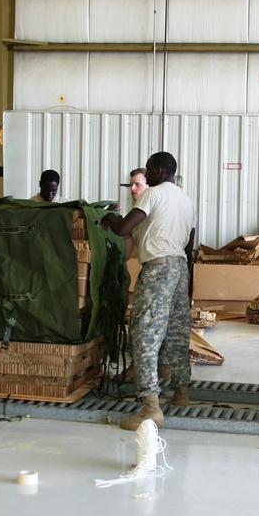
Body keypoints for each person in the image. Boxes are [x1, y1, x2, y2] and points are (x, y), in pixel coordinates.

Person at [101, 152, 196, 430]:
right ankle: (181, 393)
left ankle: (150, 407)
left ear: (161, 169)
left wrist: (108, 216)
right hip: (180, 267)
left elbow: (122, 229)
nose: (148, 173)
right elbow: (189, 244)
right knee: (177, 331)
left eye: (150, 168)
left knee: (143, 333)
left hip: (157, 269)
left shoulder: (152, 194)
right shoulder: (185, 199)